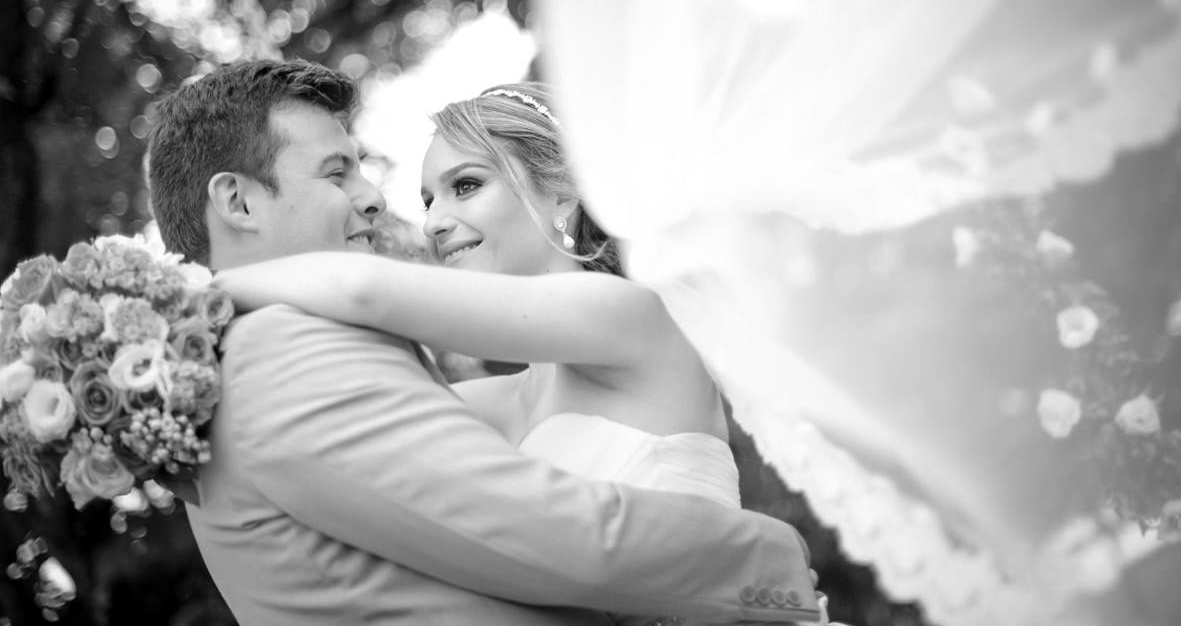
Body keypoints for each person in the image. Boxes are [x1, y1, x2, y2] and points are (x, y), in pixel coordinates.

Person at [147, 58, 822, 626]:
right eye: (430, 198)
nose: (434, 221)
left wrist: (195, 297)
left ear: (562, 191)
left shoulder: (632, 314)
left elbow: (365, 294)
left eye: (465, 186)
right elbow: (394, 447)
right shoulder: (509, 396)